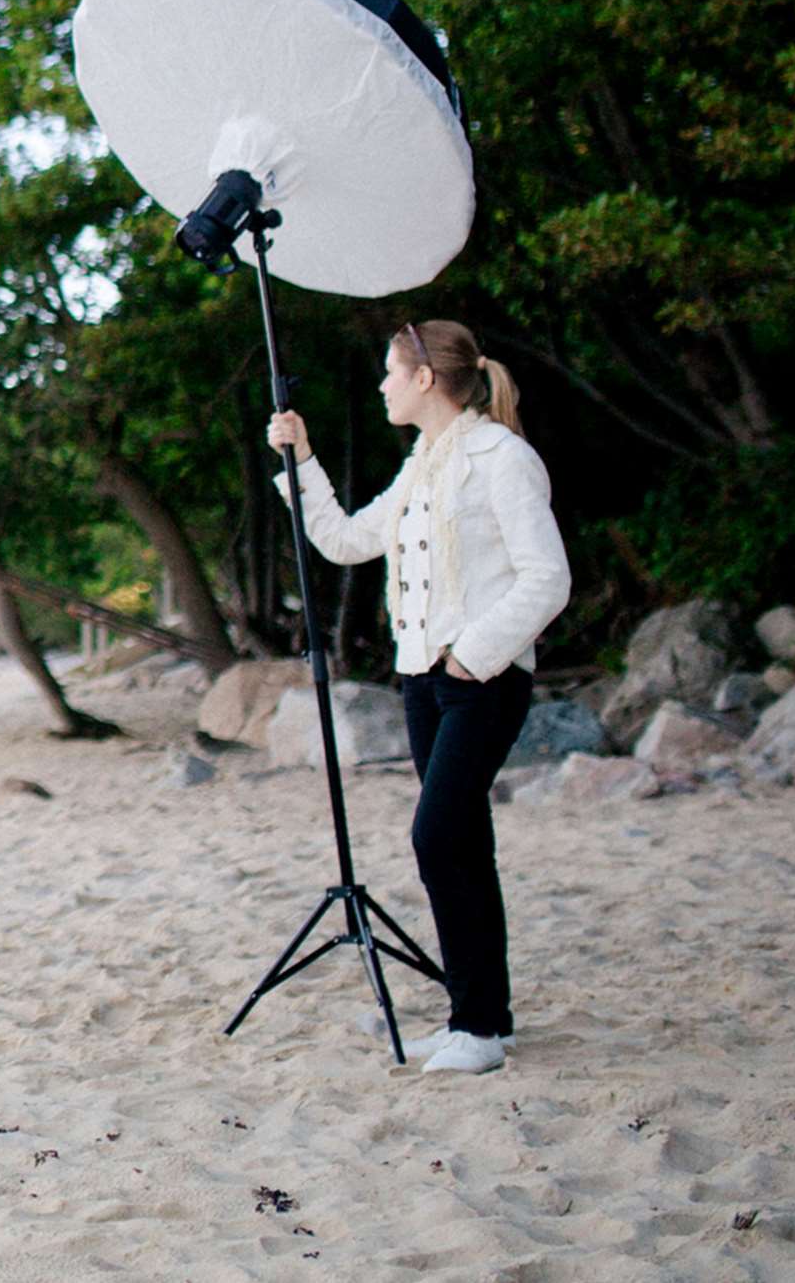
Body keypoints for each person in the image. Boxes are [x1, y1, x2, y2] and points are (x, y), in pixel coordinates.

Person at [266, 320, 569, 1077]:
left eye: (390, 373)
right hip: (422, 680)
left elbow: (548, 577)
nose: (381, 386)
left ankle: (478, 1025)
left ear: (426, 379)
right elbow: (342, 541)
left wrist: (473, 653)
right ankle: (479, 1021)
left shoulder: (503, 459)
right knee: (462, 844)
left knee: (436, 838)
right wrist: (299, 460)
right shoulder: (421, 467)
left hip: (482, 677)